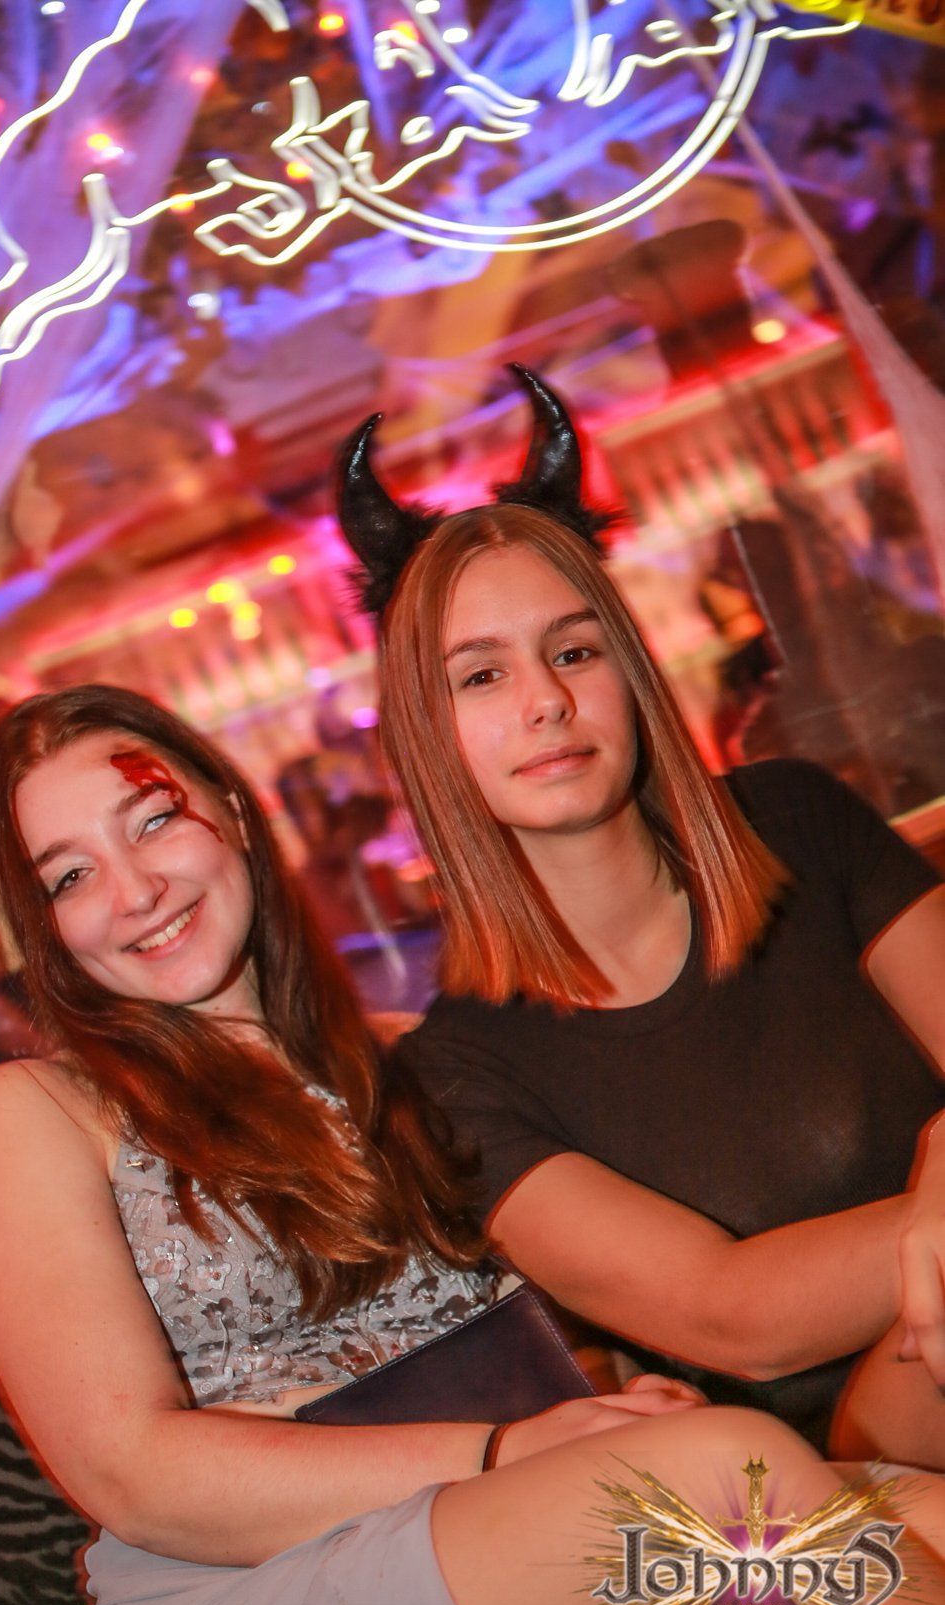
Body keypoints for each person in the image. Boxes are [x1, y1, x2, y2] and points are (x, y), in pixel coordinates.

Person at [0, 684, 945, 1605]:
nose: (133, 889)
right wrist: (503, 1451)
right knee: (725, 1502)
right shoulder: (42, 1110)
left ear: (232, 812)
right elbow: (129, 1472)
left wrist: (618, 1402)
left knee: (912, 1524)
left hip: (521, 1546)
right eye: (69, 876)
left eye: (153, 820)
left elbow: (578, 1329)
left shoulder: (424, 1058)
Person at [339, 365, 945, 1470]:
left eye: (573, 651)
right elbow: (736, 1319)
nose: (545, 701)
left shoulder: (796, 822)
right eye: (479, 677)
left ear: (628, 672)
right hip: (817, 1481)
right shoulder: (453, 1075)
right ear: (426, 734)